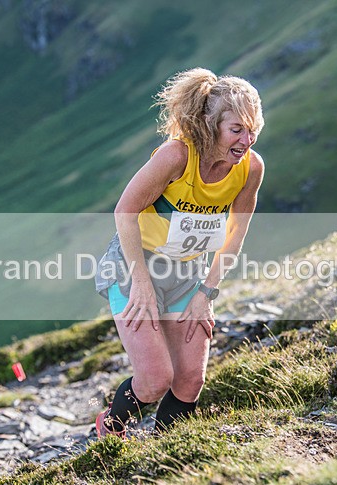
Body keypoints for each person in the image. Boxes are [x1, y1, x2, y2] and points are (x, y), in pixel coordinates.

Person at [93, 67, 265, 437]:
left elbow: (236, 232)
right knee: (155, 379)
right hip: (134, 267)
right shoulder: (176, 156)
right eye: (237, 129)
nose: (246, 140)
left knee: (189, 380)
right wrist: (140, 283)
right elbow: (124, 212)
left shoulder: (250, 168)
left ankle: (164, 454)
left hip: (189, 274)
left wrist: (207, 291)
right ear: (209, 123)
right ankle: (109, 432)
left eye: (253, 129)